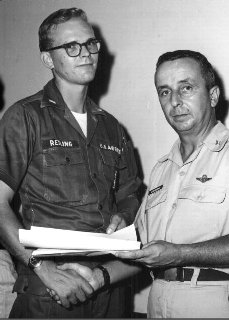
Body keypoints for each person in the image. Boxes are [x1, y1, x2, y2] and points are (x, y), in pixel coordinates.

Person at [56, 50, 229, 318]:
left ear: (214, 95)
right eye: (164, 92)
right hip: (157, 304)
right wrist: (97, 277)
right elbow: (145, 251)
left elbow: (170, 254)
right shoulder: (162, 169)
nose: (175, 101)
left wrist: (179, 254)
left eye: (186, 88)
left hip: (215, 300)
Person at [0, 7, 141, 318]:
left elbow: (130, 195)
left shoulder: (113, 128)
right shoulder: (24, 117)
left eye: (90, 44)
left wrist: (123, 212)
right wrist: (41, 267)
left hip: (109, 284)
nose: (86, 53)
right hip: (52, 287)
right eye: (71, 46)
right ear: (49, 59)